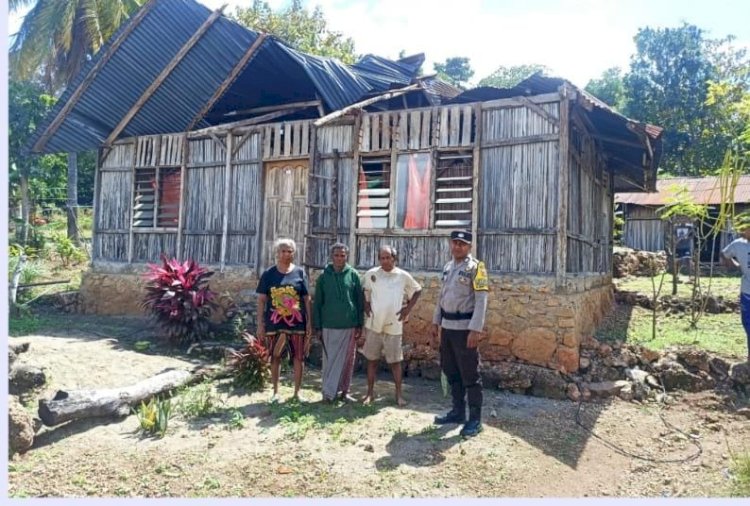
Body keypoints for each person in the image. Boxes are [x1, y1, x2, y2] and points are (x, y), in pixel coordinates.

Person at [430, 230, 489, 438]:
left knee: (470, 374)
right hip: (447, 328)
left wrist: (475, 329)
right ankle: (457, 412)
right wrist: (436, 321)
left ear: (469, 247)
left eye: (462, 244)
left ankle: (474, 419)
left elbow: (481, 300)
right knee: (451, 370)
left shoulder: (477, 268)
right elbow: (442, 297)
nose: (457, 247)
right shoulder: (448, 267)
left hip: (465, 329)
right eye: (454, 243)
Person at [360, 245, 422, 406]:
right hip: (374, 324)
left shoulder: (402, 276)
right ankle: (369, 394)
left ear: (394, 258)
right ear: (379, 259)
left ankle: (399, 395)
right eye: (382, 258)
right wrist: (367, 308)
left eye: (389, 257)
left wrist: (406, 310)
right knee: (372, 360)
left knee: (395, 362)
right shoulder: (372, 274)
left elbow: (417, 290)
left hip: (394, 325)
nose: (385, 260)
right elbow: (364, 291)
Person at [256, 238, 312, 402]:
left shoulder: (300, 273)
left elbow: (307, 299)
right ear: (277, 253)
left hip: (297, 323)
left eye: (290, 251)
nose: (287, 254)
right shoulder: (268, 274)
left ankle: (297, 393)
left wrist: (309, 321)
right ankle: (275, 392)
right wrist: (260, 323)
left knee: (299, 357)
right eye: (283, 251)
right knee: (275, 356)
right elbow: (261, 300)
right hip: (275, 323)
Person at [313, 243, 364, 402]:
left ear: (346, 256)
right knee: (329, 361)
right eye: (336, 255)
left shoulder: (353, 275)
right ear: (331, 256)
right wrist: (318, 326)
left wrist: (359, 324)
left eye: (342, 255)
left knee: (347, 361)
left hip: (349, 325)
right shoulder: (323, 277)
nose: (339, 258)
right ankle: (328, 393)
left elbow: (359, 301)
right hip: (329, 324)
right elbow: (318, 303)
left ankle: (344, 392)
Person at [720, 216, 750, 363]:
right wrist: (734, 266)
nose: (744, 231)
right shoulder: (738, 245)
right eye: (743, 229)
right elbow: (724, 254)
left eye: (746, 228)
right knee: (748, 325)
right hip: (747, 292)